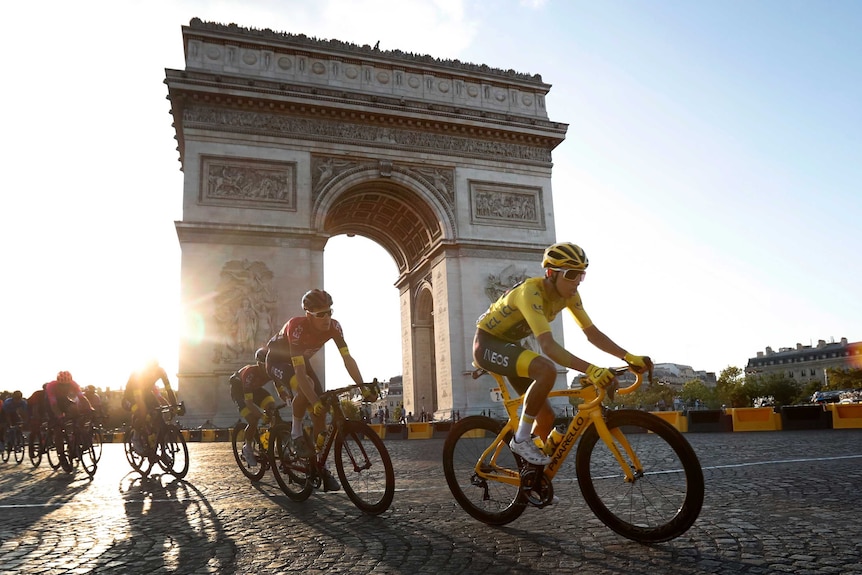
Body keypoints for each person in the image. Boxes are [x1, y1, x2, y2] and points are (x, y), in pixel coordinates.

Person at [473, 242, 652, 466]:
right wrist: (591, 369)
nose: (577, 281)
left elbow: (593, 334)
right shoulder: (530, 292)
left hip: (512, 346)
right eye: (571, 274)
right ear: (550, 273)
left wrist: (628, 357)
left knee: (546, 416)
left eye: (582, 275)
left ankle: (532, 478)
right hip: (488, 343)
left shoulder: (570, 296)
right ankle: (520, 440)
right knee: (546, 369)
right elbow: (548, 347)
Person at [265, 289, 366, 492]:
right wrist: (313, 400)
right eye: (321, 314)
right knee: (308, 389)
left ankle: (320, 465)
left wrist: (363, 386)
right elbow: (300, 375)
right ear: (308, 314)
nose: (327, 317)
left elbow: (347, 359)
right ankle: (295, 433)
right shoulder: (296, 327)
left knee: (319, 412)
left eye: (329, 312)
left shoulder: (335, 326)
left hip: (301, 361)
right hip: (278, 361)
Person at [230, 347, 290, 467]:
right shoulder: (250, 373)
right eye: (265, 364)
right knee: (253, 419)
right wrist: (262, 416)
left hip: (255, 389)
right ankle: (247, 448)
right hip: (239, 391)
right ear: (259, 364)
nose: (268, 367)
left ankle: (273, 441)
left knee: (272, 408)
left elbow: (280, 390)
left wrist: (289, 400)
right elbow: (249, 403)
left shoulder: (270, 371)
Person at [124, 360, 173, 455]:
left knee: (160, 417)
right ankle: (136, 437)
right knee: (141, 413)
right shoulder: (138, 375)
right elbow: (138, 398)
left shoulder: (161, 371)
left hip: (146, 394)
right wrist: (144, 413)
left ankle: (163, 452)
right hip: (130, 396)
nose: (152, 373)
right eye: (150, 370)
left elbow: (169, 390)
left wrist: (174, 406)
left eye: (154, 369)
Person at [45, 371, 94, 445]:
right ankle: (61, 453)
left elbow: (82, 398)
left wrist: (90, 408)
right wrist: (60, 416)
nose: (64, 387)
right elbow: (54, 404)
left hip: (64, 399)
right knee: (58, 430)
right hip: (50, 402)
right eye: (62, 385)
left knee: (74, 411)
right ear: (58, 383)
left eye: (67, 385)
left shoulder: (74, 384)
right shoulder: (51, 386)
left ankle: (74, 440)